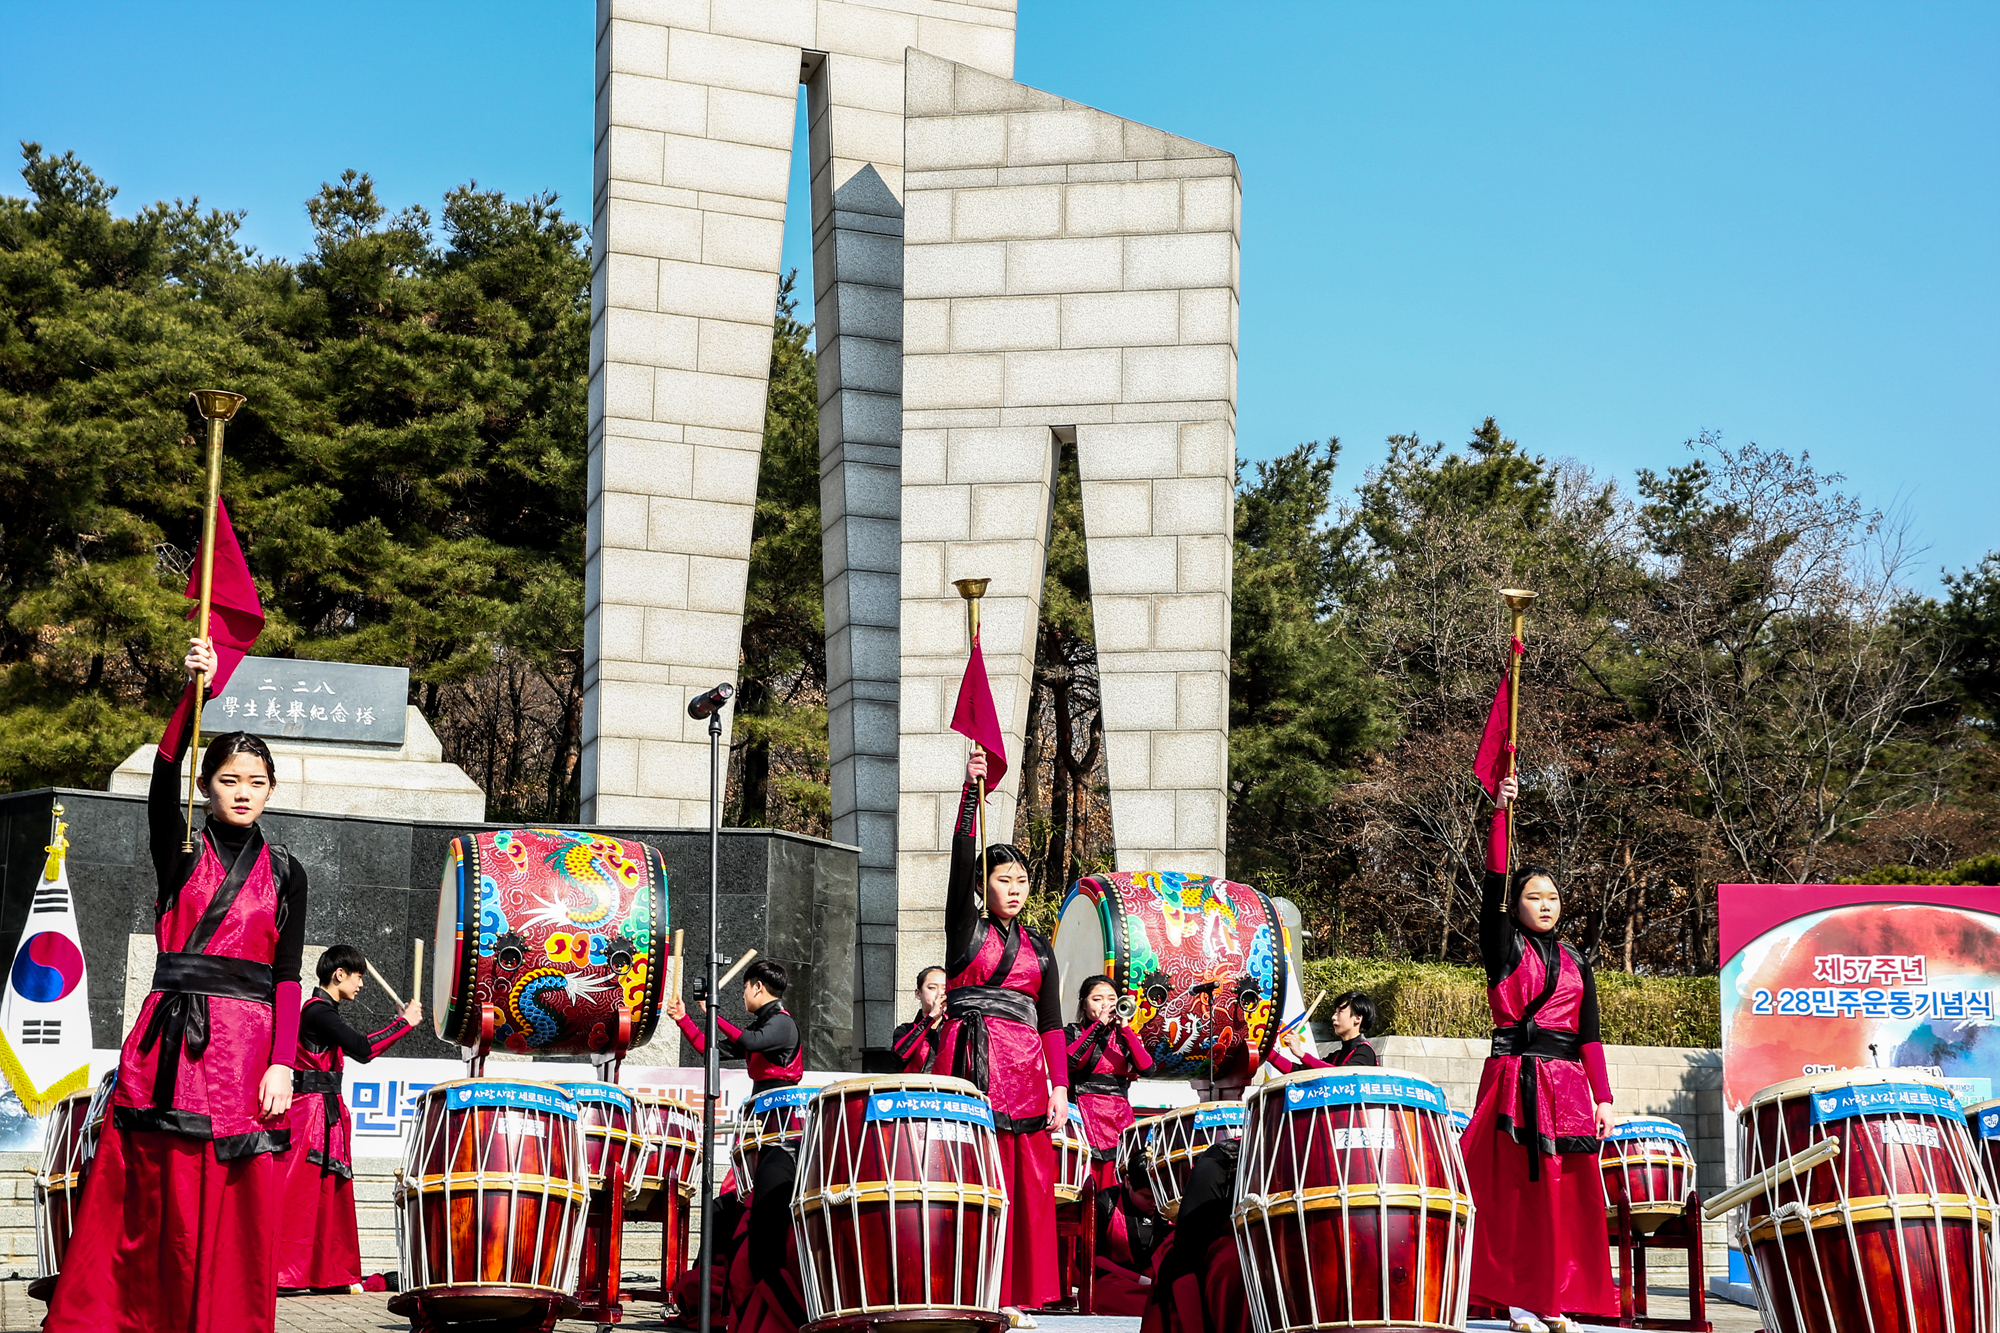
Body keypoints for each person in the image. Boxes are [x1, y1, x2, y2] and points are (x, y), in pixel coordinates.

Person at [47, 636, 307, 1333]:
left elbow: (287, 975)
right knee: (158, 1190)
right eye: (229, 779)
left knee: (237, 1195)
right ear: (207, 785)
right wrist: (192, 693)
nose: (243, 791)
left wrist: (284, 1060)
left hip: (251, 1047)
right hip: (174, 1044)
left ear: (272, 789)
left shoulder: (287, 870)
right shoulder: (180, 845)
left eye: (256, 781)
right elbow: (164, 769)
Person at [1464, 775, 1616, 1331]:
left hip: (1569, 1088)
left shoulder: (1578, 960)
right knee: (1512, 1194)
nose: (1546, 905)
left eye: (1553, 898)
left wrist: (1603, 1098)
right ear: (1518, 907)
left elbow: (1590, 1036)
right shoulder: (1503, 947)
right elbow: (1494, 885)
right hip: (1514, 1081)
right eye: (1534, 897)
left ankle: (1554, 1298)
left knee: (1565, 1195)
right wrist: (1500, 815)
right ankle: (1515, 1299)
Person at [931, 749, 1067, 1317]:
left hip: (1029, 1076)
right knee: (968, 1174)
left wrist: (1061, 1088)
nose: (1015, 887)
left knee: (1029, 1181)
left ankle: (1025, 1293)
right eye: (1004, 879)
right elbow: (962, 862)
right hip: (970, 1062)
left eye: (1023, 880)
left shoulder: (1040, 948)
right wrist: (971, 795)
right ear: (984, 887)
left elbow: (1055, 1023)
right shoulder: (965, 928)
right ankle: (963, 1287)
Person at [667, 959, 805, 1333]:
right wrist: (685, 1018)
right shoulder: (765, 1027)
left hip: (781, 1132)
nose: (743, 995)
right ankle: (713, 1294)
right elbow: (709, 1048)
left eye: (745, 988)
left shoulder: (782, 1024)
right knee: (722, 1207)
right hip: (760, 1129)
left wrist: (714, 1010)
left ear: (758, 987)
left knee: (758, 1215)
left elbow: (746, 1041)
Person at [275, 944, 421, 1291]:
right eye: (357, 977)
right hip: (311, 1115)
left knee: (327, 1194)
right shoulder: (317, 1012)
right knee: (303, 1194)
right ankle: (287, 1273)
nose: (361, 984)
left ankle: (326, 1274)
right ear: (339, 974)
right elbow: (363, 1048)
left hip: (323, 1114)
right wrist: (403, 1023)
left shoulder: (323, 1011)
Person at [1066, 975, 1153, 1187]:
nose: (1106, 1004)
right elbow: (1071, 1059)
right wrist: (1098, 1026)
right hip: (1085, 1115)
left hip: (1120, 1118)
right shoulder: (1070, 1032)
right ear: (1083, 1004)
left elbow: (1147, 1068)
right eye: (1097, 999)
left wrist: (1125, 1030)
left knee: (1121, 1179)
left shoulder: (1124, 1036)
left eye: (1111, 999)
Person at [1089, 1150, 1165, 1316]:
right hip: (1117, 1281)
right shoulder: (1105, 1202)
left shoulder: (1169, 1203)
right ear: (1128, 1182)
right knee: (1107, 1293)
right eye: (1147, 1197)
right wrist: (1138, 1279)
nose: (1155, 1204)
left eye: (1158, 1197)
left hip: (1157, 1281)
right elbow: (1090, 1257)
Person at [891, 965, 948, 1072]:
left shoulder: (955, 1028)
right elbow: (900, 1054)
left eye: (945, 988)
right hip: (913, 1087)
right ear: (918, 993)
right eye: (932, 988)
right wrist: (931, 1017)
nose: (940, 993)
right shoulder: (904, 1030)